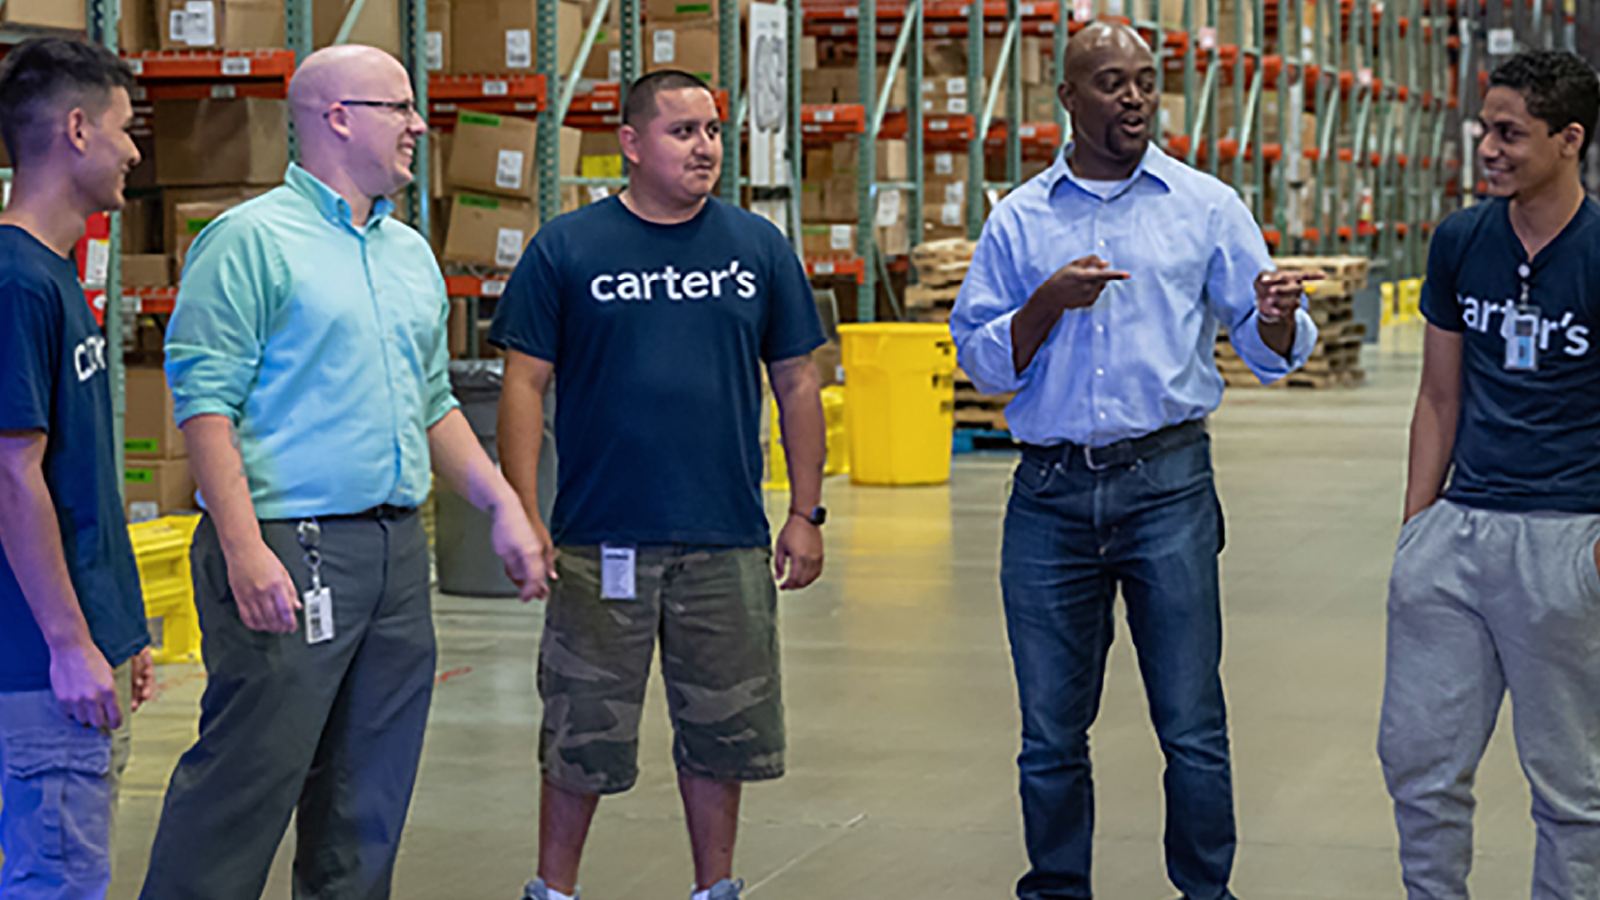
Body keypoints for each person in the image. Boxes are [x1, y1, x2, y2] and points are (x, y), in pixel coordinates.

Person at [138, 45, 548, 900]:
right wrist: (246, 549)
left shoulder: (407, 255)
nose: (416, 126)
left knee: (371, 794)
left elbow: (431, 403)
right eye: (398, 107)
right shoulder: (248, 242)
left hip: (397, 552)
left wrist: (502, 504)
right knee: (247, 783)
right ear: (336, 117)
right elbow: (204, 404)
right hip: (293, 544)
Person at [949, 22, 1322, 900]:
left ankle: (1205, 890)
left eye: (1146, 82)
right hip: (1048, 493)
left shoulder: (1205, 206)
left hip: (1168, 487)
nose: (1133, 98)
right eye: (1110, 82)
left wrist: (1273, 313)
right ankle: (1057, 887)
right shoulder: (1021, 218)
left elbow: (1273, 348)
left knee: (1192, 721)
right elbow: (980, 358)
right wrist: (1044, 304)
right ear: (1068, 100)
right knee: (1050, 729)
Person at [491, 70, 828, 900]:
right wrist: (524, 512)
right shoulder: (568, 249)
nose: (705, 146)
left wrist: (807, 512)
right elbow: (524, 385)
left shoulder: (758, 248)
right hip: (599, 537)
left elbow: (797, 383)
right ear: (631, 146)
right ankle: (554, 890)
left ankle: (715, 887)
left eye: (713, 130)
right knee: (581, 732)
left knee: (724, 733)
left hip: (727, 538)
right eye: (683, 131)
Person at [1379, 50, 1600, 900]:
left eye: (1510, 133)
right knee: (1420, 767)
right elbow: (1439, 397)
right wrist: (1416, 534)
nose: (1489, 148)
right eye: (1484, 129)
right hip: (1457, 538)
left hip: (1567, 542)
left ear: (1569, 140)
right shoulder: (1461, 240)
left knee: (1573, 790)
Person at [0, 38, 155, 900]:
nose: (134, 150)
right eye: (125, 127)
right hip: (34, 663)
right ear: (75, 129)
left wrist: (115, 629)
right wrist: (66, 641)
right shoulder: (16, 282)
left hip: (75, 644)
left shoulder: (55, 277)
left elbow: (80, 477)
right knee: (56, 883)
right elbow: (10, 478)